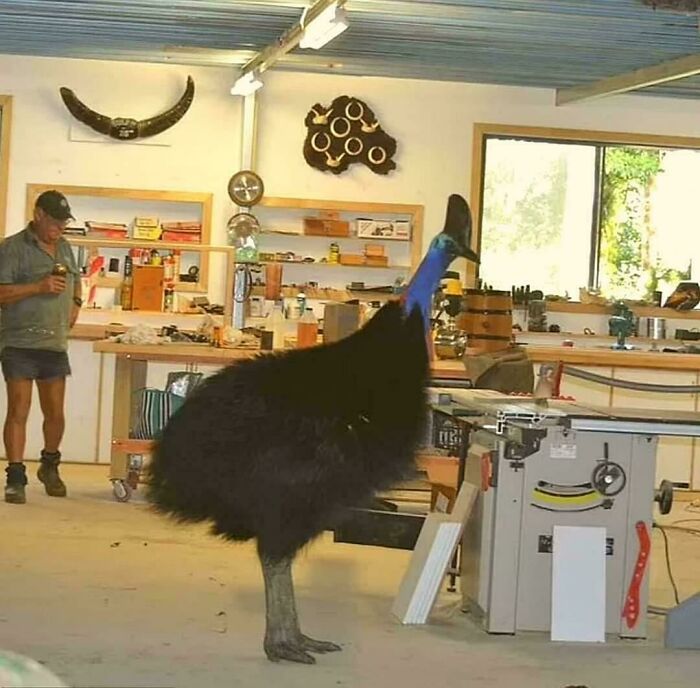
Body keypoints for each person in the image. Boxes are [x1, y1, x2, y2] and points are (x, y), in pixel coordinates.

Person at [0, 190, 82, 504]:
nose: (60, 228)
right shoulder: (12, 248)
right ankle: (15, 476)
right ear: (39, 215)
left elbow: (76, 281)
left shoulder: (65, 247)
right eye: (55, 222)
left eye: (64, 223)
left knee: (55, 413)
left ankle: (49, 465)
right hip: (19, 342)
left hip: (54, 343)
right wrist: (39, 286)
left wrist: (76, 303)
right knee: (18, 410)